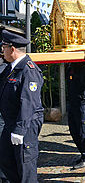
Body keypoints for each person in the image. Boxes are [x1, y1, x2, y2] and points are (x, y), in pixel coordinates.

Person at [0, 30, 44, 183]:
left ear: (12, 49)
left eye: (4, 47)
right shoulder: (11, 68)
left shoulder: (28, 70)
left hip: (25, 124)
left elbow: (28, 103)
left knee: (26, 167)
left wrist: (19, 130)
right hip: (11, 122)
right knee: (6, 160)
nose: (2, 50)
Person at [67, 62, 85, 170]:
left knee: (84, 131)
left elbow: (83, 81)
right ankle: (84, 154)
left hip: (83, 102)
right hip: (73, 101)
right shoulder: (71, 66)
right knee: (74, 130)